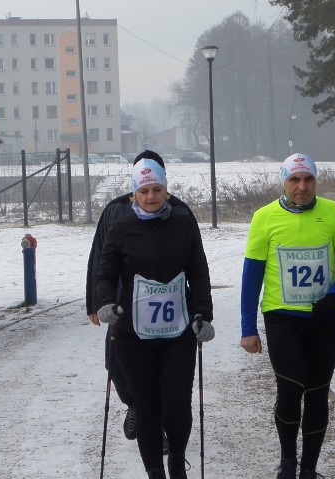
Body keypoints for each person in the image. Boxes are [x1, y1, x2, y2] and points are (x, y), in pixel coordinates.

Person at [239, 154, 335, 479]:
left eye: (308, 180)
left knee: (318, 391)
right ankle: (288, 462)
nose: (302, 187)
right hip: (282, 318)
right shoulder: (264, 217)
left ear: (315, 181)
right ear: (284, 182)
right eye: (295, 180)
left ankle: (309, 468)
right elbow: (251, 276)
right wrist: (247, 327)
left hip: (323, 319)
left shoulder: (331, 212)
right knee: (291, 389)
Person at [96, 158, 215, 479]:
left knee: (177, 404)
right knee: (146, 408)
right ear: (134, 194)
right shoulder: (120, 228)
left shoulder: (183, 224)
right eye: (145, 190)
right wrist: (106, 302)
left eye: (158, 189)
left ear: (166, 190)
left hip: (178, 332)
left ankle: (176, 463)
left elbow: (199, 272)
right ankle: (155, 474)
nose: (152, 197)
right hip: (135, 335)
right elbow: (105, 274)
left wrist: (203, 313)